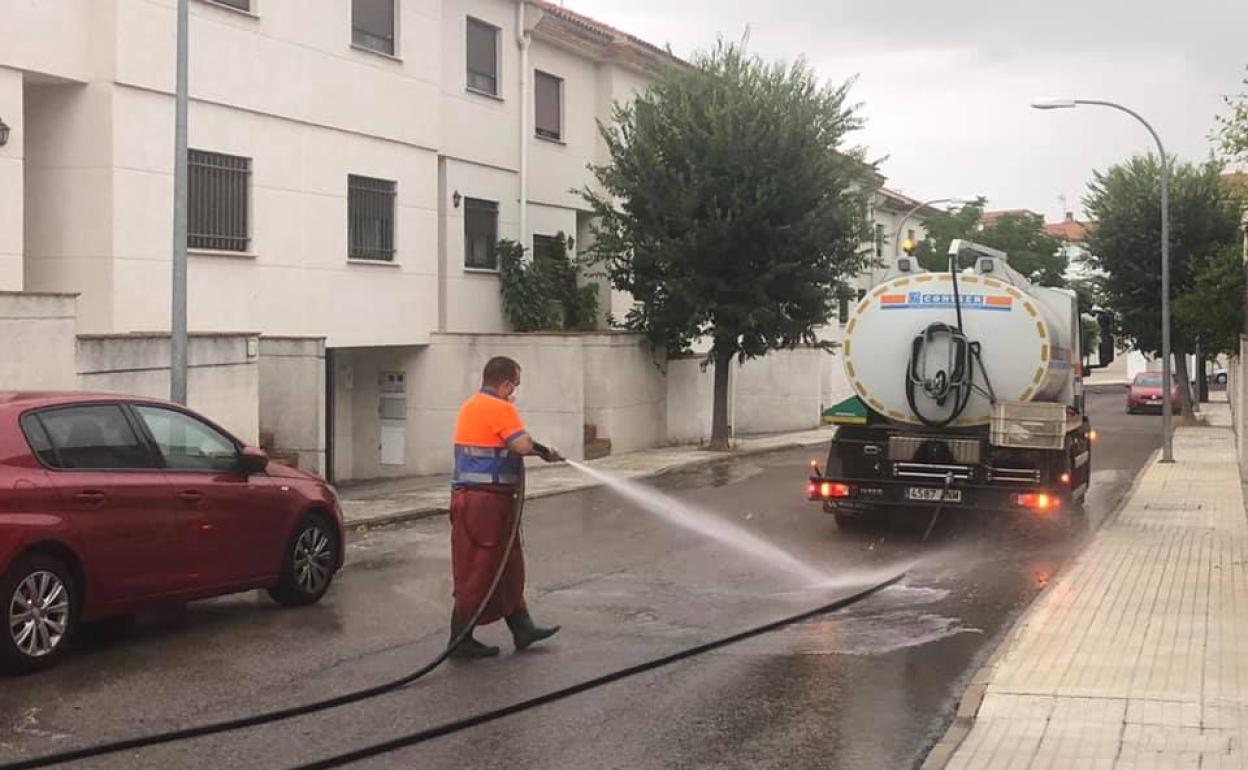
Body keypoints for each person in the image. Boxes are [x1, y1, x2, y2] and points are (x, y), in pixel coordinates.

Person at [448, 356, 563, 659]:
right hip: (483, 504)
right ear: (505, 383)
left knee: (508, 568)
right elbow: (521, 445)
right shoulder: (499, 407)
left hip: (483, 502)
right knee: (479, 570)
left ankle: (522, 627)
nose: (515, 392)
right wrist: (544, 451)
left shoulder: (471, 405)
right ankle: (460, 640)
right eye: (515, 385)